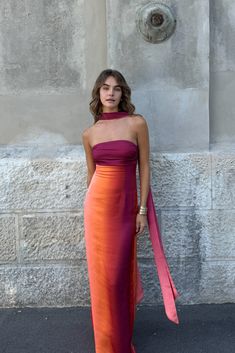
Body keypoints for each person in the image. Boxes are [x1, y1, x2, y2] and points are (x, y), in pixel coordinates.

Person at [82, 69, 179, 353]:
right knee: (102, 279)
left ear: (123, 94)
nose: (110, 93)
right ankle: (105, 341)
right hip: (97, 210)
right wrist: (89, 208)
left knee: (118, 276)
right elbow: (91, 176)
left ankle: (121, 340)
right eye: (105, 88)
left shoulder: (136, 124)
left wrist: (140, 210)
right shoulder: (89, 134)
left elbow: (145, 167)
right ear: (98, 94)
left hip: (125, 210)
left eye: (116, 88)